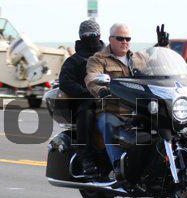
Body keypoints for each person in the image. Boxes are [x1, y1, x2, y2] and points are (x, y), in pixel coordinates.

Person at [85, 23, 169, 178]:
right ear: (111, 39)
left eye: (127, 38)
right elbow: (92, 77)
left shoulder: (139, 58)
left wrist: (162, 47)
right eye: (120, 38)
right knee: (108, 124)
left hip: (140, 109)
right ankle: (119, 167)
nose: (125, 42)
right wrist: (101, 90)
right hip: (113, 110)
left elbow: (160, 64)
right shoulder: (98, 59)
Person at [58, 19, 105, 177]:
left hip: (113, 98)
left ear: (99, 35)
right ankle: (85, 157)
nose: (91, 37)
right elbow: (65, 82)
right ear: (81, 36)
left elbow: (136, 65)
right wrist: (86, 92)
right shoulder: (75, 60)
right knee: (86, 111)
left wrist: (160, 47)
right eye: (87, 35)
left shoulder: (109, 56)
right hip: (86, 101)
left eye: (94, 34)